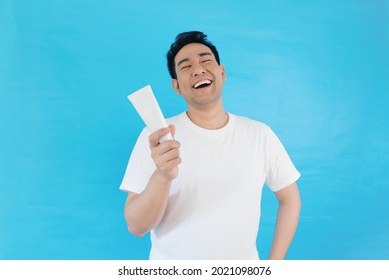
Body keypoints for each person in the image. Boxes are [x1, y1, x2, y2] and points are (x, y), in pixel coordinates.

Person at [119, 31, 301, 260]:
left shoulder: (259, 135)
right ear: (176, 86)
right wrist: (163, 175)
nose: (198, 70)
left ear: (222, 72)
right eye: (185, 67)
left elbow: (290, 198)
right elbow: (136, 227)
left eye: (206, 60)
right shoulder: (156, 137)